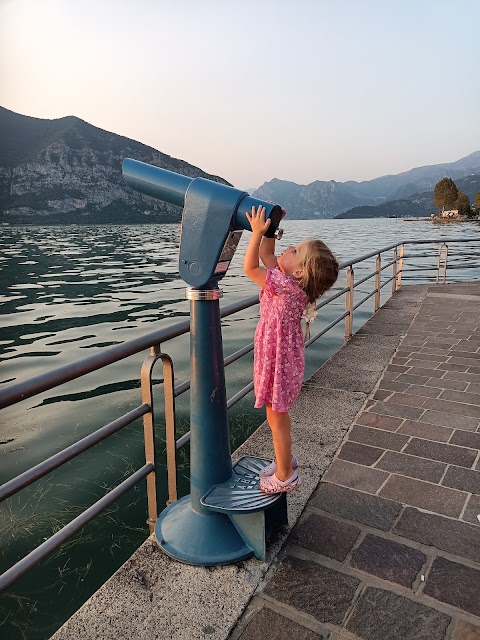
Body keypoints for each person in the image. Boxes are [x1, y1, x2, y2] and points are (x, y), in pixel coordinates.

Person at [244, 205, 339, 493]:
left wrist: (257, 233)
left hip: (278, 358)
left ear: (298, 272)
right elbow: (267, 256)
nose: (289, 247)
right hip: (281, 356)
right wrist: (271, 228)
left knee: (276, 416)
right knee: (277, 415)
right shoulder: (289, 283)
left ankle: (285, 474)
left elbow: (251, 266)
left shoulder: (283, 285)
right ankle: (284, 460)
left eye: (296, 250)